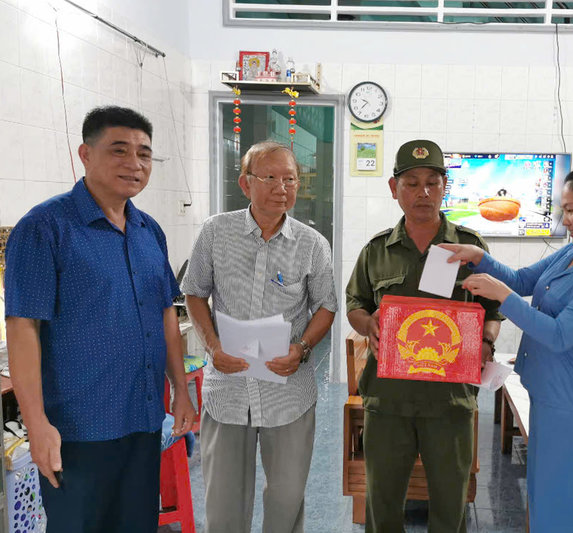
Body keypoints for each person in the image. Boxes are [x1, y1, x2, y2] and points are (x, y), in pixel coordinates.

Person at [3, 106, 195, 533]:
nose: (135, 164)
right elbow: (23, 328)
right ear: (85, 154)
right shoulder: (45, 228)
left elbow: (166, 312)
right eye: (119, 150)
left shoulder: (149, 231)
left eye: (144, 154)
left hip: (143, 420)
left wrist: (181, 390)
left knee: (136, 524)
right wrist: (36, 424)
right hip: (78, 429)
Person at [442, 164, 573, 531]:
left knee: (565, 501)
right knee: (545, 495)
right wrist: (478, 256)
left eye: (571, 210)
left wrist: (504, 297)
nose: (566, 220)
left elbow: (561, 334)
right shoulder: (571, 252)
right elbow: (522, 280)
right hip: (547, 392)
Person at [346, 139, 503, 533]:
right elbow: (355, 304)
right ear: (394, 188)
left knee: (450, 505)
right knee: (382, 504)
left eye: (433, 182)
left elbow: (493, 310)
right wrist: (368, 325)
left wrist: (485, 344)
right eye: (412, 183)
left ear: (445, 187)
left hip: (449, 401)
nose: (424, 192)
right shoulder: (377, 250)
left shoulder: (469, 247)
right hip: (389, 399)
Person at [181, 141, 337, 533]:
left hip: (288, 391)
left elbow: (326, 306)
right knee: (223, 507)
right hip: (228, 388)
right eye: (270, 178)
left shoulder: (312, 244)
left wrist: (302, 348)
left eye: (291, 179)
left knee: (286, 501)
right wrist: (212, 346)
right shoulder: (216, 232)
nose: (282, 188)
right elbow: (194, 293)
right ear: (245, 183)